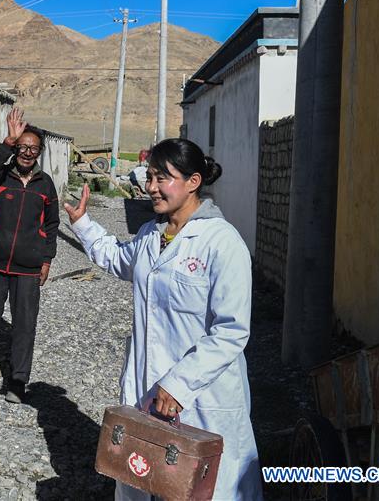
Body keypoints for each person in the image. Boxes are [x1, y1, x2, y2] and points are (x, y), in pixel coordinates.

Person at [64, 138, 263, 500]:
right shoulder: (150, 235)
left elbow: (231, 330)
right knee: (145, 476)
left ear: (193, 182)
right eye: (151, 177)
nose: (152, 187)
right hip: (147, 387)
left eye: (163, 178)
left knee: (205, 486)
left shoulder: (221, 242)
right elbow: (118, 258)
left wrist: (180, 383)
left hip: (202, 396)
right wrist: (83, 225)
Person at [0, 107, 59, 403]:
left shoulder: (46, 185)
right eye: (23, 146)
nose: (27, 152)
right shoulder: (0, 177)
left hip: (28, 268)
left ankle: (17, 383)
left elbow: (52, 223)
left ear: (40, 152)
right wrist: (8, 139)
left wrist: (46, 260)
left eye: (33, 148)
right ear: (16, 148)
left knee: (25, 325)